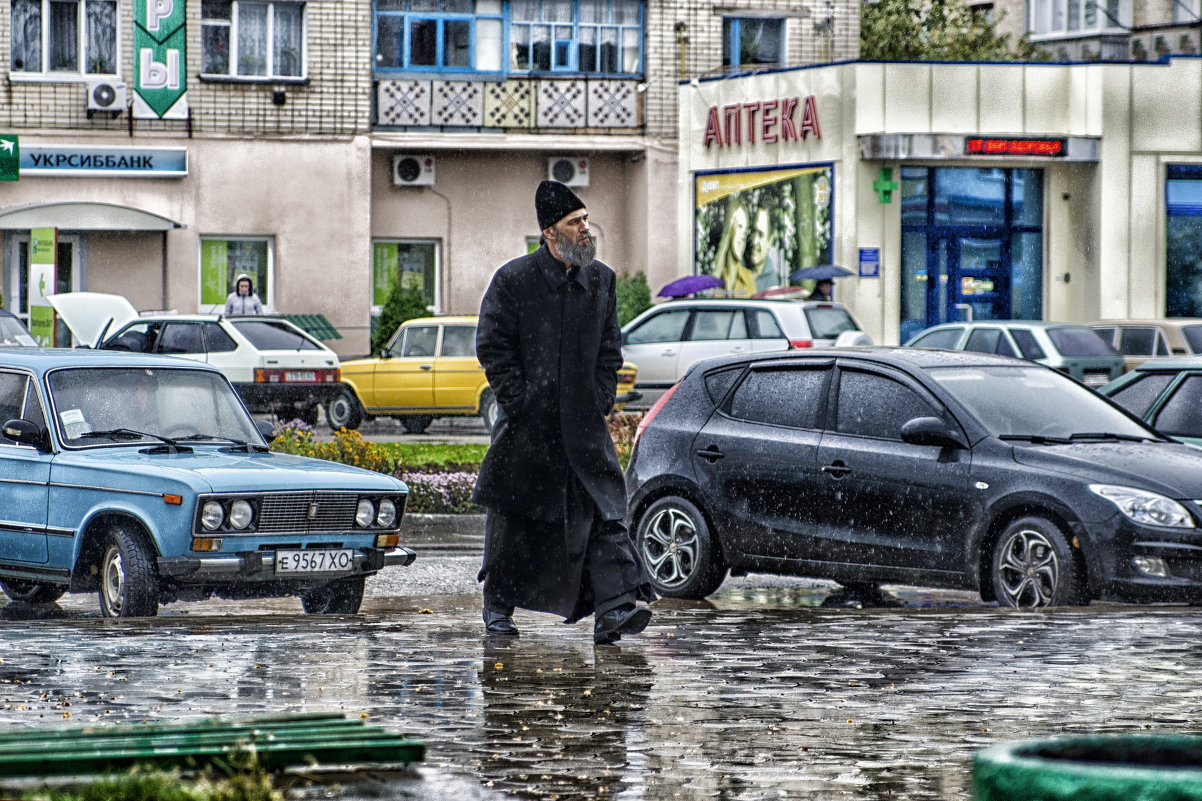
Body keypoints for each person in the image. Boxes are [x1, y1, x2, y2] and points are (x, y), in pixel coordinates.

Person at [473, 180, 655, 645]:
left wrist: (598, 400)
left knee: (602, 514)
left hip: (583, 429)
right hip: (526, 430)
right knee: (515, 521)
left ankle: (614, 609)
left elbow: (610, 354)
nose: (585, 229)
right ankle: (498, 609)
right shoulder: (514, 280)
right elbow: (492, 347)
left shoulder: (601, 281)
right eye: (575, 223)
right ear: (549, 234)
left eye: (585, 220)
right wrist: (521, 401)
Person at [712, 196, 756, 295]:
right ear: (729, 228)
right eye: (739, 227)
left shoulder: (748, 279)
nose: (743, 238)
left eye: (745, 232)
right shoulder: (715, 280)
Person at [748, 206, 782, 291]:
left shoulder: (773, 283)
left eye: (760, 235)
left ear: (770, 240)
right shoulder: (738, 270)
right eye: (753, 231)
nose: (754, 241)